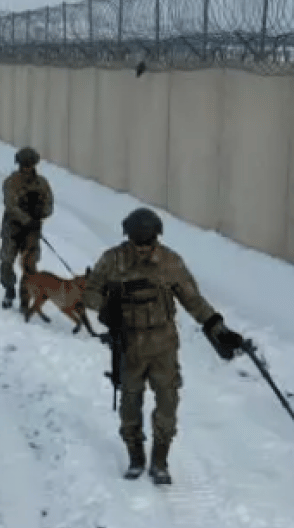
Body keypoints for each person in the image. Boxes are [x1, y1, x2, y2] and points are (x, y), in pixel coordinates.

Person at [83, 207, 247, 485]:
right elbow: (90, 293)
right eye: (138, 241)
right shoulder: (112, 260)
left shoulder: (170, 262)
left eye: (148, 242)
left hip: (163, 347)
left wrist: (216, 326)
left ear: (156, 237)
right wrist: (105, 308)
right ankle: (135, 456)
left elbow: (193, 299)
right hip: (129, 345)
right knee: (129, 405)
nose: (144, 248)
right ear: (129, 237)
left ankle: (160, 461)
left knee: (167, 404)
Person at [0, 147, 52, 311]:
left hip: (32, 232)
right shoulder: (11, 182)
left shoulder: (42, 183)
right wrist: (26, 219)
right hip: (13, 229)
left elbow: (49, 205)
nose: (26, 167)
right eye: (24, 164)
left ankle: (25, 299)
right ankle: (9, 289)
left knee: (30, 266)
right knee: (7, 261)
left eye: (29, 164)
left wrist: (40, 213)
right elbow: (10, 205)